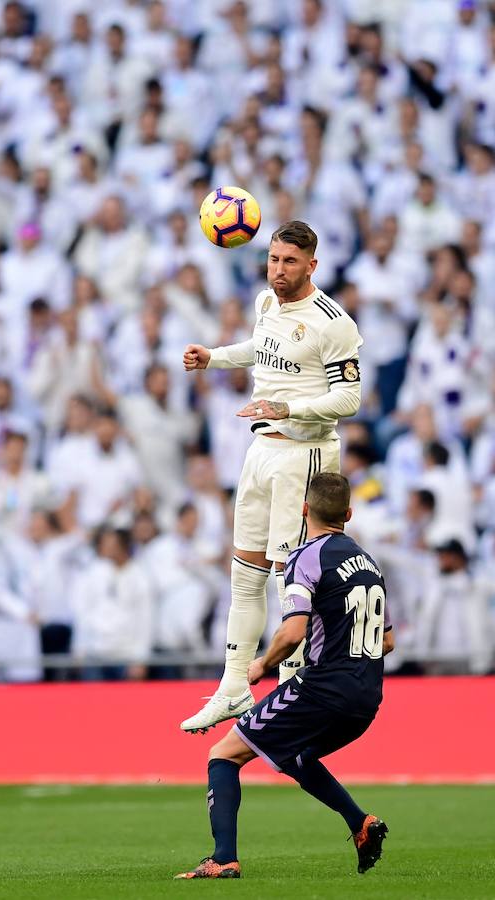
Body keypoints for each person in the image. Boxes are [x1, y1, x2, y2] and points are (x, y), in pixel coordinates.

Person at [180, 221, 363, 732]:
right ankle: (234, 686)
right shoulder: (266, 303)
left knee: (290, 579)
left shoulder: (333, 322)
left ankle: (292, 691)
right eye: (273, 260)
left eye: (289, 262)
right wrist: (214, 357)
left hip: (303, 454)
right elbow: (259, 349)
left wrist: (287, 406)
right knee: (245, 573)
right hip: (260, 450)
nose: (278, 271)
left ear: (312, 265)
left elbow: (350, 398)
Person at [175, 473, 395, 880]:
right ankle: (360, 823)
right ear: (348, 513)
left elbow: (293, 632)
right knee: (297, 757)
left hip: (322, 688)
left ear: (305, 509)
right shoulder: (369, 563)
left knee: (223, 755)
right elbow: (387, 642)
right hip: (367, 698)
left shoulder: (305, 557)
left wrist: (260, 665)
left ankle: (223, 857)